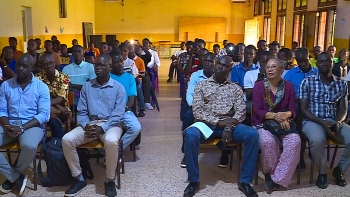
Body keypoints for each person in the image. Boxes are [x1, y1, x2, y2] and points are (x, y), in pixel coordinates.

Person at [183, 55, 259, 197]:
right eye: (219, 64)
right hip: (206, 124)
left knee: (252, 134)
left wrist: (228, 127)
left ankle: (245, 181)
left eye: (225, 66)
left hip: (230, 125)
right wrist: (217, 122)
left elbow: (241, 112)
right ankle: (193, 181)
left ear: (230, 69)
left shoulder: (235, 88)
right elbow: (197, 111)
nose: (220, 67)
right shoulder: (202, 85)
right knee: (190, 134)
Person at [62, 54, 125, 197]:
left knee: (111, 141)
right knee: (67, 139)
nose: (97, 68)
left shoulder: (118, 88)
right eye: (96, 65)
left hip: (111, 124)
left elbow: (118, 114)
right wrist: (86, 126)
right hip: (90, 124)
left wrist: (102, 128)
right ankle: (78, 178)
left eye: (102, 65)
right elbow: (82, 111)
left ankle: (109, 180)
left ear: (110, 67)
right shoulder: (87, 86)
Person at [0, 53, 50, 196]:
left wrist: (21, 128)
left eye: (25, 66)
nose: (20, 69)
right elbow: (2, 110)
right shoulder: (6, 85)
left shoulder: (41, 87)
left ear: (32, 67)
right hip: (9, 124)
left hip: (31, 125)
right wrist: (7, 125)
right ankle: (16, 177)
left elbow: (44, 114)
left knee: (29, 145)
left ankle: (16, 172)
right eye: (18, 65)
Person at [300, 52, 350, 189]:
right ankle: (322, 172)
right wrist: (321, 122)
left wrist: (338, 122)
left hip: (333, 120)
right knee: (317, 140)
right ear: (317, 63)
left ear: (332, 63)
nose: (324, 64)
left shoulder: (341, 84)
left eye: (327, 61)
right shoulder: (308, 81)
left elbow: (343, 108)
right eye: (321, 61)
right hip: (312, 120)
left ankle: (338, 169)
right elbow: (303, 109)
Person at [252, 59, 300, 194]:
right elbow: (258, 110)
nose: (270, 70)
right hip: (263, 122)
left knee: (295, 141)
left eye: (274, 67)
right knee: (267, 141)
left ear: (281, 70)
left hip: (285, 123)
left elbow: (292, 109)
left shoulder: (288, 86)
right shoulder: (259, 86)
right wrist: (278, 116)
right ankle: (270, 172)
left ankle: (274, 179)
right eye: (267, 67)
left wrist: (286, 115)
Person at [180, 53, 216, 167]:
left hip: (214, 108)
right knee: (188, 117)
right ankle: (187, 151)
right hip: (197, 106)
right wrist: (194, 107)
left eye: (210, 61)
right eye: (205, 60)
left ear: (215, 63)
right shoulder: (196, 75)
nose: (207, 63)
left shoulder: (218, 75)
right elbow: (190, 93)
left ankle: (224, 153)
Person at [110, 51, 142, 150]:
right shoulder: (107, 77)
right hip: (108, 111)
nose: (120, 64)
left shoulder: (129, 77)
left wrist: (124, 108)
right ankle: (108, 150)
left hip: (125, 110)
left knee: (136, 128)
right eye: (116, 62)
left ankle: (117, 149)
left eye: (121, 61)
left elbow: (132, 100)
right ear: (111, 64)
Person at [36, 54, 70, 139]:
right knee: (49, 120)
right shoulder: (37, 78)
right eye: (45, 64)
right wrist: (54, 107)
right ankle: (53, 146)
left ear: (54, 63)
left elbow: (60, 99)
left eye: (51, 63)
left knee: (54, 122)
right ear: (41, 66)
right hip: (43, 110)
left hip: (62, 111)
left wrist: (57, 106)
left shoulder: (64, 77)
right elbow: (36, 98)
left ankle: (56, 147)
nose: (49, 66)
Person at [129, 44, 146, 117]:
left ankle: (142, 109)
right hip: (128, 80)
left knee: (138, 88)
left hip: (137, 79)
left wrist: (136, 75)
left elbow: (143, 74)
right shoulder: (125, 60)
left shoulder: (139, 60)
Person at [136, 44, 153, 110]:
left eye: (139, 49)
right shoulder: (130, 58)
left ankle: (146, 102)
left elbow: (149, 55)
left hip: (142, 75)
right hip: (133, 75)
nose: (138, 50)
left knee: (146, 79)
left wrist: (142, 47)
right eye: (136, 49)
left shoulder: (144, 57)